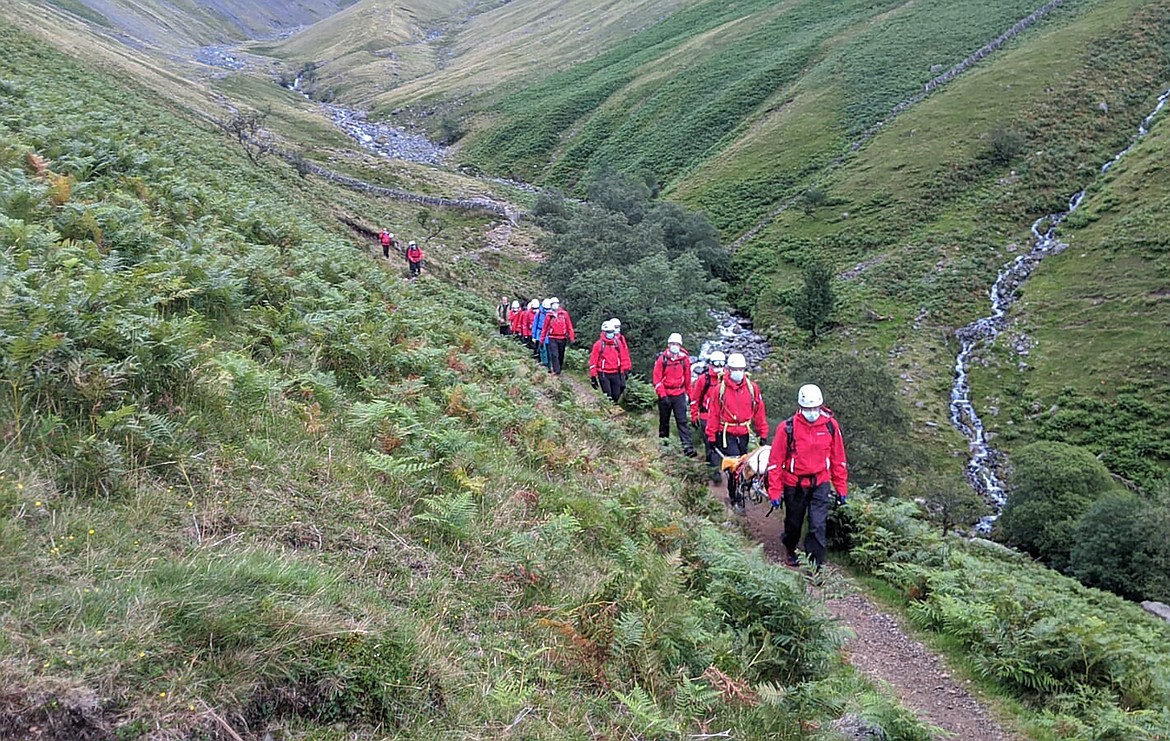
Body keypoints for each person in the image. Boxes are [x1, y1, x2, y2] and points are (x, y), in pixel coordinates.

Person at [766, 384, 848, 569]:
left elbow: (838, 459)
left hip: (820, 482)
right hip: (794, 483)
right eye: (807, 409)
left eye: (815, 408)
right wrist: (775, 492)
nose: (812, 412)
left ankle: (815, 565)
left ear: (821, 406)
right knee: (793, 523)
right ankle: (790, 548)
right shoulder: (787, 428)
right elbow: (775, 462)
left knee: (818, 525)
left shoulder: (829, 426)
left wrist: (841, 488)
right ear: (800, 407)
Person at [706, 353, 768, 513]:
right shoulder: (720, 390)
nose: (737, 372)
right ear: (728, 369)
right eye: (734, 369)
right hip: (727, 433)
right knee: (734, 467)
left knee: (745, 464)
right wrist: (711, 436)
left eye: (740, 369)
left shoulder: (752, 388)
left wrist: (763, 433)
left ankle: (742, 491)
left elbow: (759, 412)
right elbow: (713, 414)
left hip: (744, 432)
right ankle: (735, 497)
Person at [653, 333, 696, 457]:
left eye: (677, 344)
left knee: (682, 421)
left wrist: (691, 396)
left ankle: (688, 448)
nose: (674, 346)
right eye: (672, 344)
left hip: (679, 394)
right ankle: (663, 446)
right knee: (664, 422)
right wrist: (662, 395)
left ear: (680, 345)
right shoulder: (662, 360)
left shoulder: (684, 360)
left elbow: (688, 380)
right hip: (665, 394)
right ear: (669, 345)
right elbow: (657, 379)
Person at [690, 351, 726, 481]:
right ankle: (714, 472)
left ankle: (713, 466)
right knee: (711, 444)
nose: (718, 367)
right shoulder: (703, 380)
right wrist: (694, 415)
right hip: (706, 416)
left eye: (721, 364)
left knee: (719, 444)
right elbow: (695, 399)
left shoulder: (727, 379)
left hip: (723, 419)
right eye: (716, 364)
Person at [589, 321, 624, 402]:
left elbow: (622, 358)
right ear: (604, 332)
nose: (610, 334)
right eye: (608, 332)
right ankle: (609, 410)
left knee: (616, 394)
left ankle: (614, 408)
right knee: (608, 395)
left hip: (615, 372)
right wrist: (593, 376)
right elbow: (593, 360)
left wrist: (622, 373)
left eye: (612, 332)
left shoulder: (617, 343)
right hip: (604, 373)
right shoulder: (598, 345)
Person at [539, 297, 575, 376]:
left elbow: (569, 326)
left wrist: (571, 337)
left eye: (556, 304)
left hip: (562, 338)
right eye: (553, 304)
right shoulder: (549, 315)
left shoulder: (564, 314)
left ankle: (559, 368)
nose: (555, 305)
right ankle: (556, 370)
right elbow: (544, 328)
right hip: (552, 338)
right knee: (554, 354)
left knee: (561, 354)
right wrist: (541, 340)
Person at [611, 317, 631, 399]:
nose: (617, 329)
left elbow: (625, 352)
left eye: (618, 327)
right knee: (615, 386)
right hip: (613, 367)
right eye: (615, 327)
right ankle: (613, 401)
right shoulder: (607, 341)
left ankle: (615, 400)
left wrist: (628, 365)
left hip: (622, 366)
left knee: (622, 386)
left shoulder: (621, 338)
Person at [531, 299, 550, 364]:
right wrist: (534, 336)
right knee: (541, 348)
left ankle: (549, 363)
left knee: (549, 349)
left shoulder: (551, 313)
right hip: (540, 332)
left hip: (549, 333)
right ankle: (542, 361)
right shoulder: (539, 313)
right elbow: (535, 325)